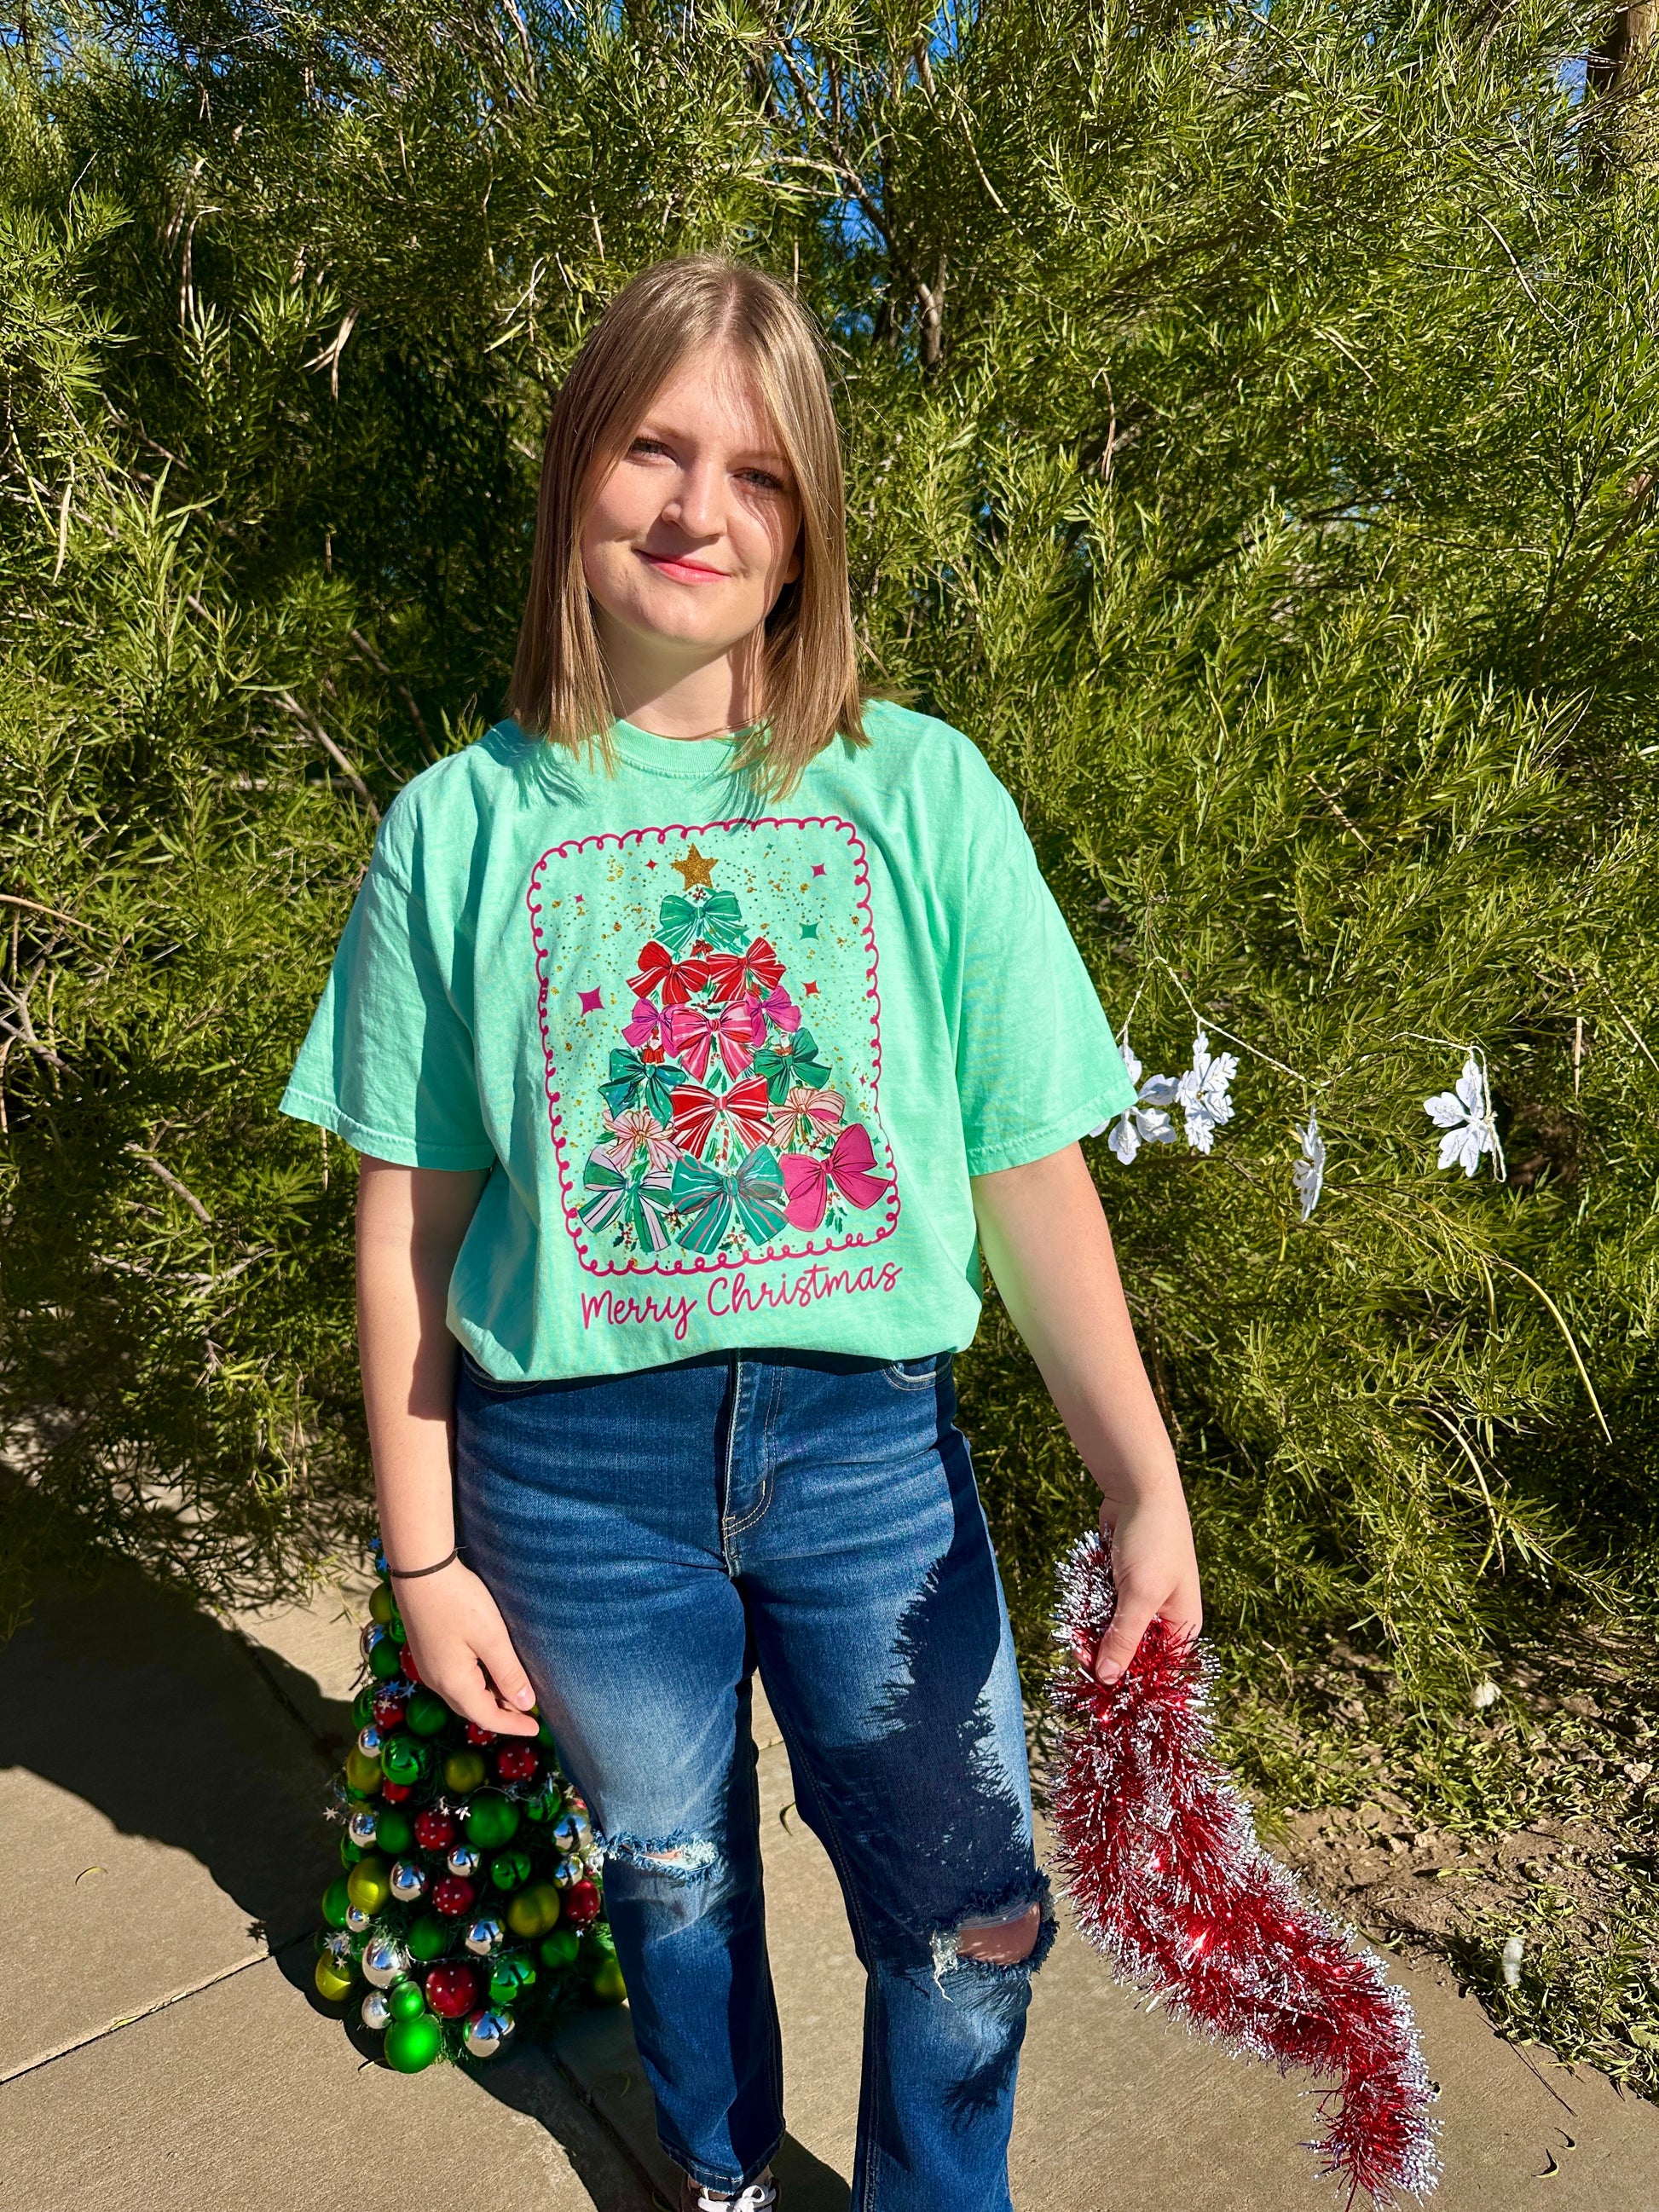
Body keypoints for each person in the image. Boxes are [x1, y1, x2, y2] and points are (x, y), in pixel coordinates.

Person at [280, 253, 1201, 2212]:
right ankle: (719, 2178)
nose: (701, 508)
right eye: (655, 447)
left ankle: (936, 2197)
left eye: (761, 473)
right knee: (672, 1877)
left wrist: (1140, 1473)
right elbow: (407, 1226)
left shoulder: (920, 793)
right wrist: (421, 1548)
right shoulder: (458, 827)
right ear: (574, 476)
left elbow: (1030, 1172)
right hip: (574, 1483)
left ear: (811, 533)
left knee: (969, 1911)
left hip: (875, 1462)